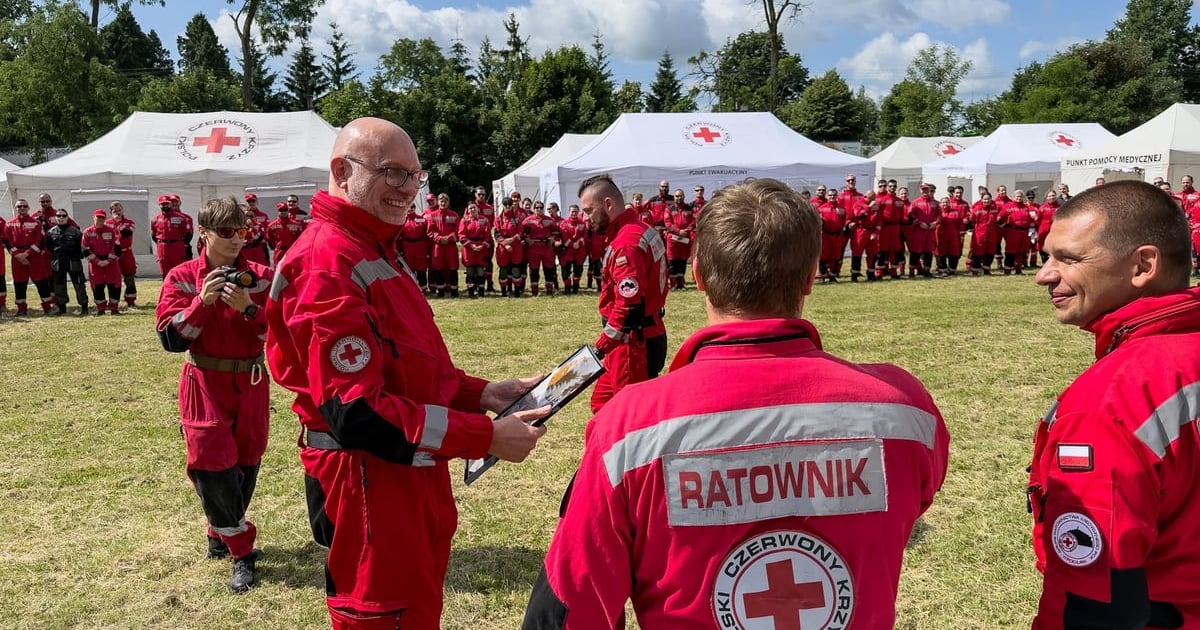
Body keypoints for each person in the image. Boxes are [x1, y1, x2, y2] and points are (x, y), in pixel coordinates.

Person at [522, 177, 950, 630]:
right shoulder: (907, 411)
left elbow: (570, 607)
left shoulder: (626, 429)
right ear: (810, 279)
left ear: (699, 276)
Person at [264, 117, 549, 629]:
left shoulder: (374, 246)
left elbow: (410, 367)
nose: (408, 191)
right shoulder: (328, 261)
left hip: (404, 478)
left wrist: (484, 393)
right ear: (341, 171)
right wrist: (485, 436)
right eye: (393, 173)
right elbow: (357, 413)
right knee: (383, 615)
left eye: (415, 176)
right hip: (370, 485)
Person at [1029, 180, 1200, 628]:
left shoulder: (1110, 401)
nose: (1044, 274)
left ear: (1143, 265)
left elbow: (1099, 602)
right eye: (1048, 256)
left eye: (1068, 258)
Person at [155, 196, 273, 593]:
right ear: (203, 232)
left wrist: (249, 309)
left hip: (252, 381)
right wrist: (201, 303)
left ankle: (218, 530)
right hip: (204, 379)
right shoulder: (183, 277)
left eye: (242, 231)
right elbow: (171, 339)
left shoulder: (261, 277)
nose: (237, 240)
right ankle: (242, 550)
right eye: (226, 232)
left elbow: (282, 336)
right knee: (211, 463)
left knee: (246, 462)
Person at [578, 174, 669, 413]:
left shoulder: (626, 242)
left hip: (632, 344)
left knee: (629, 415)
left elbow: (629, 306)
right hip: (635, 337)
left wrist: (602, 345)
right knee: (602, 404)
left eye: (589, 211)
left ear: (608, 204)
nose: (585, 218)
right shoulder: (636, 229)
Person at [5, 199, 54, 315]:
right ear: (15, 208)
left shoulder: (36, 223)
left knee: (41, 281)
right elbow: (7, 242)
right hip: (17, 258)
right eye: (19, 206)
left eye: (24, 206)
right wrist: (19, 256)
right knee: (19, 283)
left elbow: (40, 241)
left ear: (29, 207)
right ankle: (21, 309)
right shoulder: (9, 224)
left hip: (34, 257)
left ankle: (47, 307)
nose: (22, 208)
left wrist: (27, 254)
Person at [46, 209, 89, 316]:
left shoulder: (76, 232)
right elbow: (49, 247)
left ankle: (84, 307)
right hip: (58, 261)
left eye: (63, 216)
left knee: (79, 284)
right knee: (59, 285)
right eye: (58, 216)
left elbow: (81, 247)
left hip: (73, 260)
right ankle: (62, 308)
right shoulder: (51, 232)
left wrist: (76, 256)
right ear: (55, 217)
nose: (61, 218)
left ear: (67, 217)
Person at [82, 209, 122, 315]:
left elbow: (117, 247)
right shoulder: (87, 232)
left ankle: (114, 308)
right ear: (93, 217)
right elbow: (85, 248)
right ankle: (101, 309)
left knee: (114, 285)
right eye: (98, 217)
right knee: (97, 286)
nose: (100, 220)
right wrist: (97, 261)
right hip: (95, 265)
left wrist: (108, 260)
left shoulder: (111, 231)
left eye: (102, 218)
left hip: (111, 264)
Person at [521, 200, 560, 297]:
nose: (539, 209)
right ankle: (534, 290)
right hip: (534, 246)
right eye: (536, 208)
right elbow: (522, 231)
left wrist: (552, 239)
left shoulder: (550, 220)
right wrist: (527, 239)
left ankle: (550, 289)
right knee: (534, 269)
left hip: (546, 247)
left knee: (549, 268)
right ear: (533, 209)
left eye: (541, 208)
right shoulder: (528, 220)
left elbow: (555, 231)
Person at [150, 194, 194, 278]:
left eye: (167, 204)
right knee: (165, 271)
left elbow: (188, 234)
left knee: (179, 271)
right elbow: (154, 235)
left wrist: (179, 243)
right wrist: (162, 243)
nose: (165, 206)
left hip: (177, 247)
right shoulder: (155, 219)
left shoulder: (182, 218)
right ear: (159, 205)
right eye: (162, 204)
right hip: (163, 248)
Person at [427, 192, 461, 298]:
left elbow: (458, 231)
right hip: (438, 246)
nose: (443, 203)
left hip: (450, 246)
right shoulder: (432, 216)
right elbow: (430, 231)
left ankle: (454, 290)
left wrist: (449, 238)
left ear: (448, 202)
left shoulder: (454, 215)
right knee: (438, 268)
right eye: (441, 201)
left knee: (453, 267)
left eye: (445, 201)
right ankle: (440, 291)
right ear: (438, 202)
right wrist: (439, 238)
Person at [105, 201, 138, 308]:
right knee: (113, 278)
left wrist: (119, 223)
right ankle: (114, 301)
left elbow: (127, 234)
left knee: (129, 276)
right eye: (115, 211)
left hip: (126, 252)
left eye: (119, 210)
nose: (118, 212)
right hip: (113, 254)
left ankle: (130, 300)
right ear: (111, 212)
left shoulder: (129, 222)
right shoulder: (107, 223)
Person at [457, 201, 491, 298]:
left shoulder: (484, 220)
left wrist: (482, 245)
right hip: (469, 249)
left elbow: (488, 235)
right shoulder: (464, 220)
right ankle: (471, 291)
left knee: (480, 270)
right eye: (470, 208)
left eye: (474, 207)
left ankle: (481, 291)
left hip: (481, 249)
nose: (472, 209)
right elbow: (461, 235)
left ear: (478, 209)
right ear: (467, 210)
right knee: (470, 270)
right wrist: (471, 245)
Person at [664, 191, 697, 289]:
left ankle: (681, 283)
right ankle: (673, 284)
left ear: (683, 196)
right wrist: (678, 231)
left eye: (680, 196)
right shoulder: (669, 209)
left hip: (684, 239)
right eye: (676, 196)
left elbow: (693, 221)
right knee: (672, 261)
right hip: (673, 239)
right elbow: (668, 223)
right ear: (674, 197)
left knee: (682, 261)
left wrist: (686, 231)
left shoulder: (689, 208)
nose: (678, 198)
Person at [558, 204, 588, 294]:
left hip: (579, 251)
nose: (574, 213)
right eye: (572, 211)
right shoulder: (564, 223)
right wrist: (572, 245)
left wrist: (578, 243)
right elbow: (564, 237)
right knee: (566, 271)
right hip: (568, 251)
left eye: (575, 211)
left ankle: (575, 288)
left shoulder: (582, 223)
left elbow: (585, 235)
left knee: (578, 270)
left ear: (578, 212)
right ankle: (567, 288)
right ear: (569, 212)